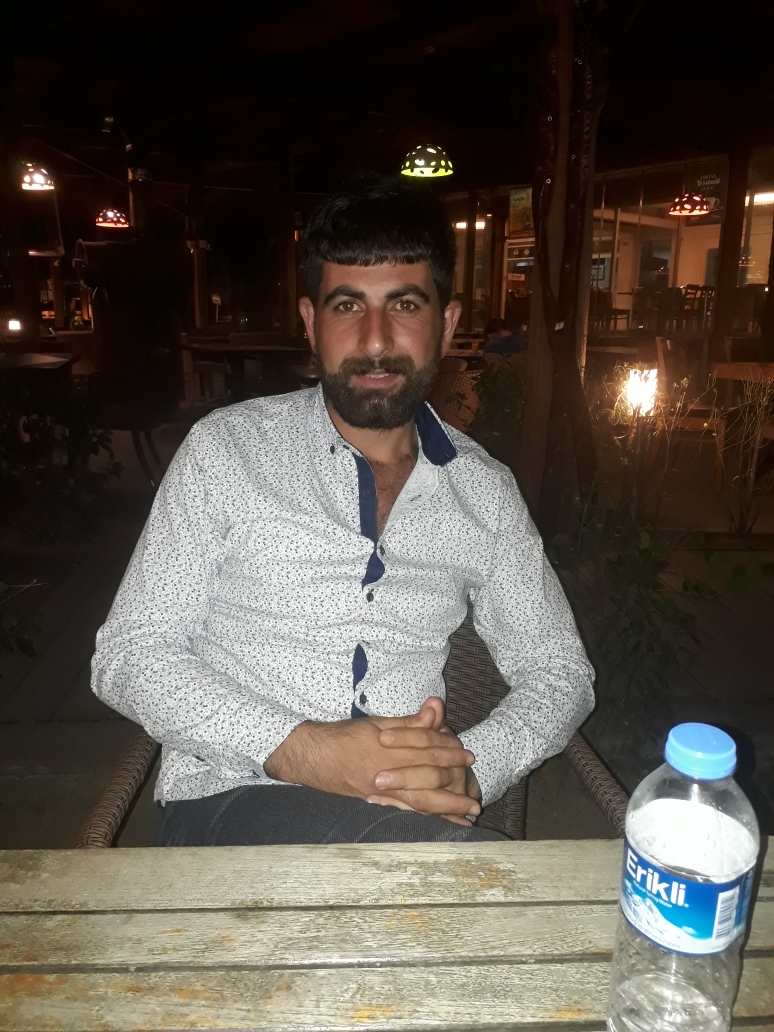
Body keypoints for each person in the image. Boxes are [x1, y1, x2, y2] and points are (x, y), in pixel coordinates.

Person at [91, 176, 594, 846]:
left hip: (411, 820)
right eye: (348, 305)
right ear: (311, 324)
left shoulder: (484, 493)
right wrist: (306, 750)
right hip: (233, 801)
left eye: (405, 304)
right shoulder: (227, 452)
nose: (376, 339)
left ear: (446, 325)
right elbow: (129, 654)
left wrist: (470, 771)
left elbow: (561, 672)